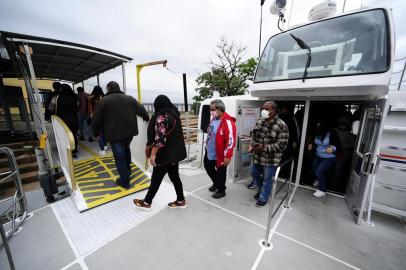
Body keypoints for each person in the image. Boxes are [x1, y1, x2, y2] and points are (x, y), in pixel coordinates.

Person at [92, 81, 149, 189]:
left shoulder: (103, 101)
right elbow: (141, 110)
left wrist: (95, 132)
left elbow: (96, 120)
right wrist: (146, 118)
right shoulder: (129, 98)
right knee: (126, 149)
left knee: (119, 157)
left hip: (114, 135)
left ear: (108, 89)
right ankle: (127, 171)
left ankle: (124, 181)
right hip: (129, 133)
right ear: (118, 88)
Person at [133, 95, 187, 210]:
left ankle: (147, 203)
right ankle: (181, 200)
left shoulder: (162, 116)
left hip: (164, 155)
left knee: (156, 179)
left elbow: (160, 138)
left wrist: (153, 154)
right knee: (175, 177)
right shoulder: (174, 114)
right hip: (174, 154)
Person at [249, 101, 289, 207]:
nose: (263, 111)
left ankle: (263, 197)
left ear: (273, 111)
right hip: (258, 156)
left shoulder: (282, 125)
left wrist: (263, 147)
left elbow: (281, 145)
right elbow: (253, 135)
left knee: (267, 179)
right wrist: (253, 145)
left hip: (271, 159)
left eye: (267, 109)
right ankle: (262, 190)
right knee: (253, 173)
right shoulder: (260, 121)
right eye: (263, 108)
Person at [203, 99, 236, 199]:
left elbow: (231, 141)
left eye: (213, 109)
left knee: (221, 172)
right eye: (210, 109)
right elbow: (210, 133)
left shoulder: (228, 122)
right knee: (208, 167)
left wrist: (228, 156)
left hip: (221, 154)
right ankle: (216, 183)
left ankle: (221, 190)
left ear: (220, 109)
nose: (211, 111)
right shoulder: (214, 119)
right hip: (210, 151)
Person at [308, 120, 340, 198]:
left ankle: (322, 190)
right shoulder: (318, 132)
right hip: (318, 156)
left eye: (319, 126)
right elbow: (316, 142)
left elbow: (338, 144)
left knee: (319, 172)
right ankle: (318, 180)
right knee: (315, 169)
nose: (318, 127)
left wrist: (333, 148)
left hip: (329, 157)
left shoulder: (332, 133)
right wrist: (311, 145)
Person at [56, 84, 79, 158]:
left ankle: (67, 152)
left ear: (61, 89)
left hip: (63, 121)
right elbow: (78, 107)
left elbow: (51, 107)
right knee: (73, 135)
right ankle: (74, 151)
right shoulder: (75, 97)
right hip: (74, 119)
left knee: (65, 136)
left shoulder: (58, 97)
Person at [89, 86, 107, 155]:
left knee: (98, 134)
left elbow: (91, 109)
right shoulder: (105, 98)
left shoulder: (92, 98)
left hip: (96, 118)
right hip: (104, 118)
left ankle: (102, 150)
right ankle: (105, 146)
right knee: (103, 132)